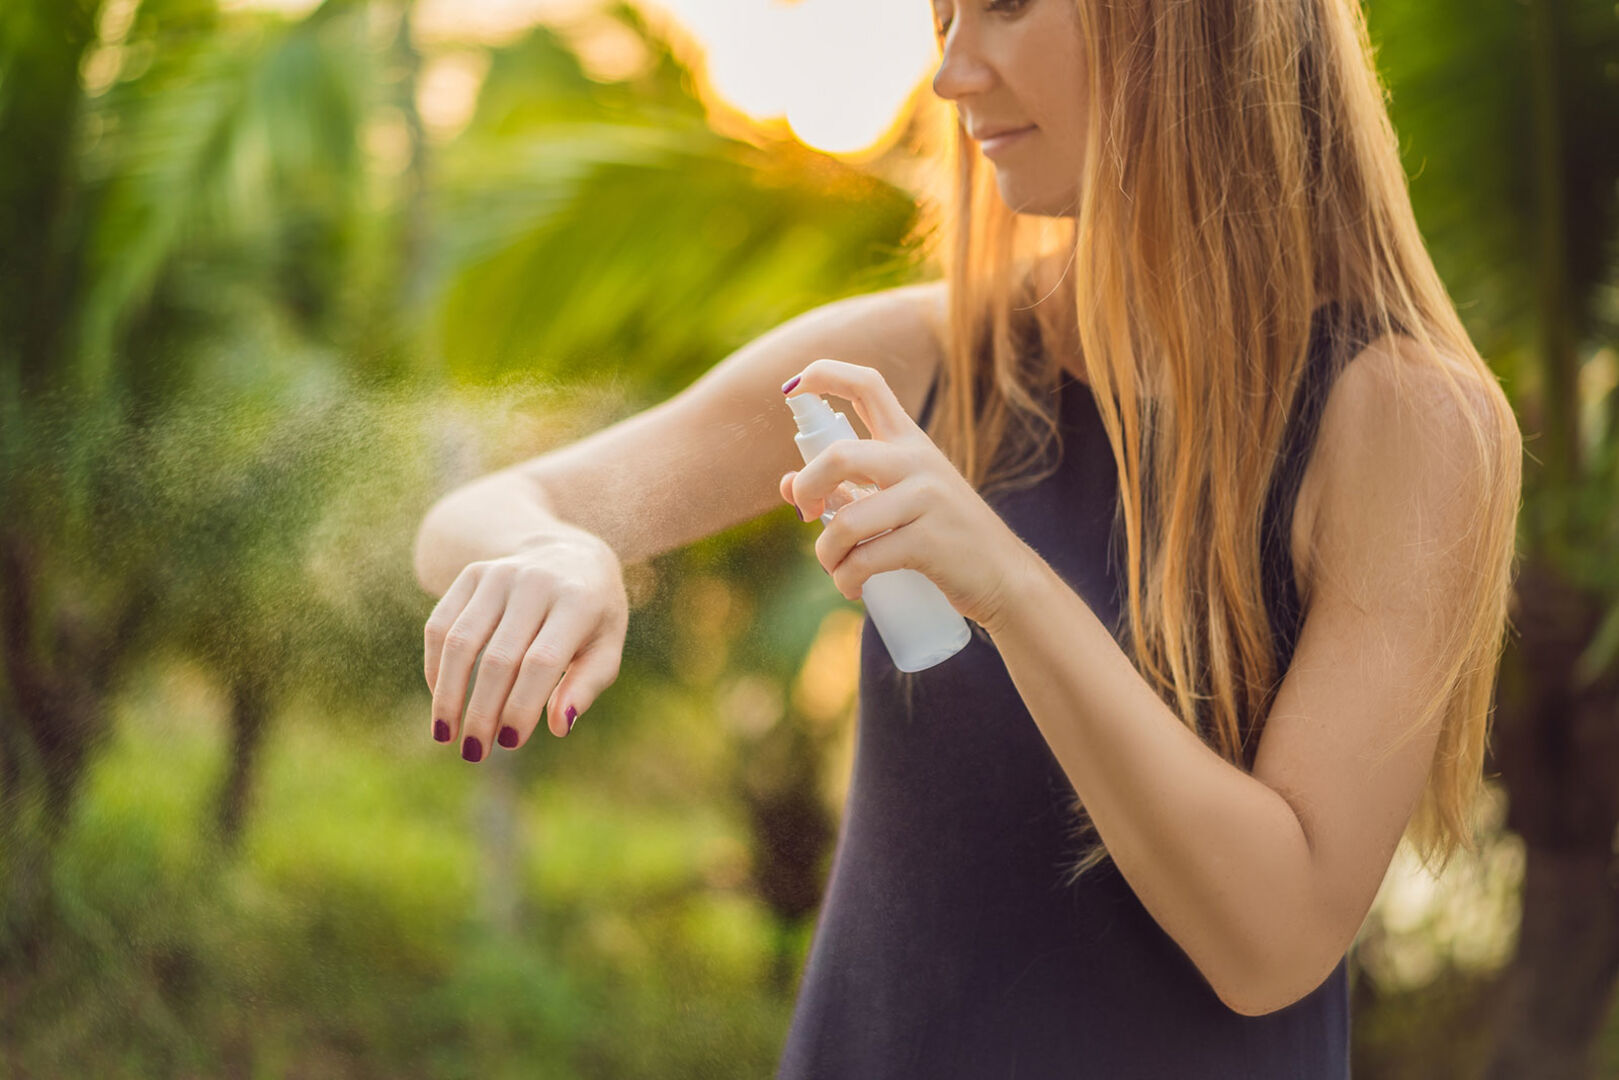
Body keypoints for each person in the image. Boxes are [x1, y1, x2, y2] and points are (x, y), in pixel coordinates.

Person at [414, 0, 1523, 1073]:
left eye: (1001, 6)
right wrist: (559, 552)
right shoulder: (928, 365)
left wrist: (1008, 584)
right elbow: (480, 518)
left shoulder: (1410, 427)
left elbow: (1272, 943)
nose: (948, 74)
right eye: (941, 18)